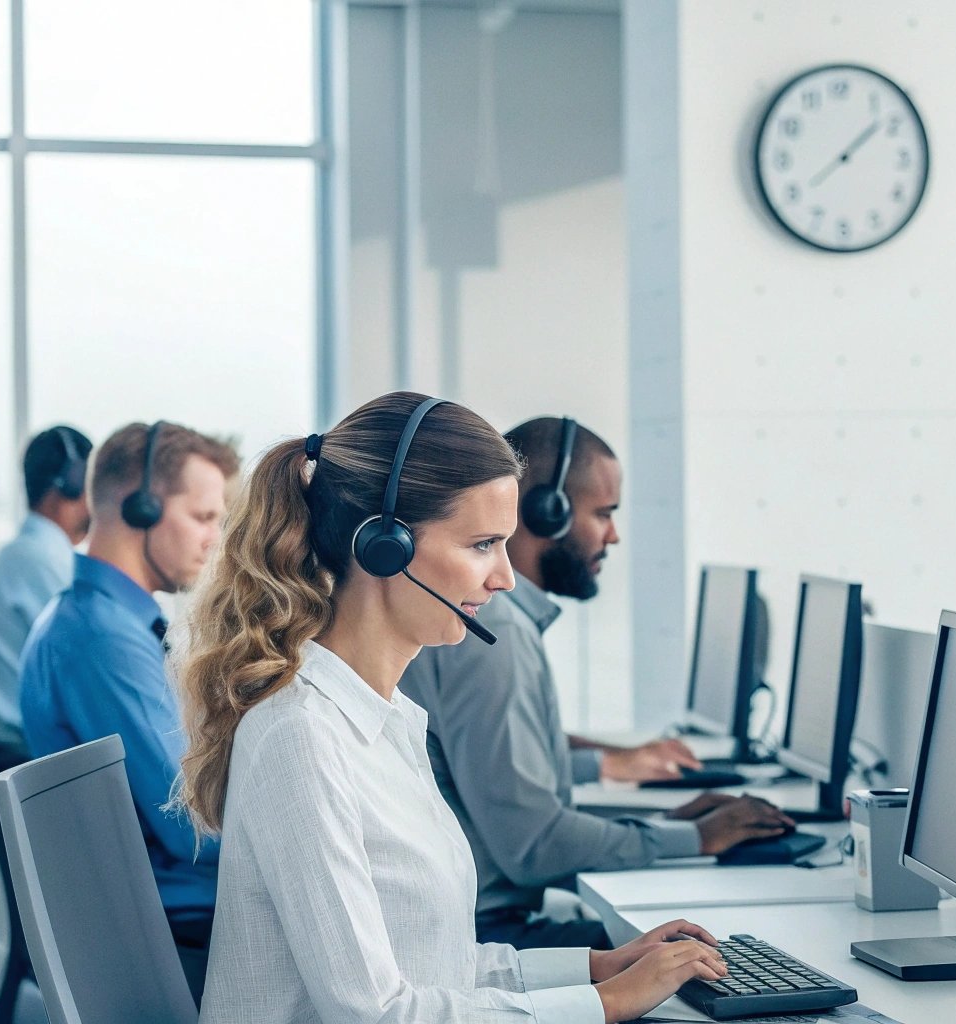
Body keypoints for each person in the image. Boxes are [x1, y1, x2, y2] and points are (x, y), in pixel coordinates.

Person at [179, 393, 729, 1024]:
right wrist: (605, 1005)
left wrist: (596, 966)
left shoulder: (386, 721)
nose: (505, 578)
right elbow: (378, 1014)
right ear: (385, 547)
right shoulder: (301, 737)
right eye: (482, 545)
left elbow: (431, 965)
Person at [400, 416, 793, 951]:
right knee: (722, 952)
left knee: (698, 947)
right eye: (603, 513)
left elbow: (512, 776)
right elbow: (535, 845)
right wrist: (697, 837)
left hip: (477, 925)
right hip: (485, 937)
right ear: (548, 512)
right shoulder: (499, 631)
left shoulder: (503, 623)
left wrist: (657, 818)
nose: (614, 535)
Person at [18, 420, 239, 1004]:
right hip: (176, 915)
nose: (213, 539)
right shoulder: (102, 640)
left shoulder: (115, 624)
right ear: (138, 509)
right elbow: (189, 826)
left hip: (161, 900)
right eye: (202, 517)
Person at [0, 425, 93, 770]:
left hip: (17, 750)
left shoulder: (28, 554)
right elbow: (83, 661)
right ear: (71, 482)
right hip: (27, 760)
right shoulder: (39, 560)